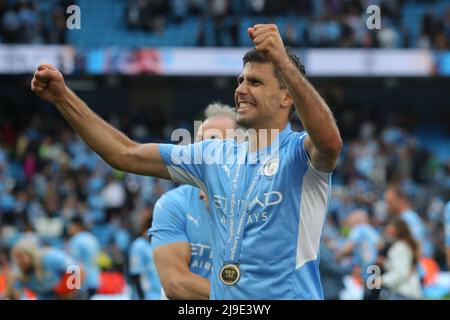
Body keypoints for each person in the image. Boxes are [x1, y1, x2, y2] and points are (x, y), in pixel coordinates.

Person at [30, 23, 342, 299]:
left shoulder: (300, 154)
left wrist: (284, 63)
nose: (240, 90)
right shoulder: (214, 155)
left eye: (255, 82)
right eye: (241, 79)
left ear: (287, 96)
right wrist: (63, 97)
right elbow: (123, 153)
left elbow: (329, 141)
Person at [149, 102, 237, 300]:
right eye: (199, 143)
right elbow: (176, 284)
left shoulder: (259, 205)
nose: (202, 152)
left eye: (213, 144)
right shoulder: (174, 203)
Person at [6, 240, 86, 300]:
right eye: (15, 258)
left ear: (30, 254)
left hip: (72, 295)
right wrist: (10, 285)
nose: (18, 261)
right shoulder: (20, 273)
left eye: (21, 257)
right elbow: (15, 296)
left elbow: (78, 269)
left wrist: (67, 290)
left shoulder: (49, 258)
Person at [336, 209, 382, 299]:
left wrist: (336, 257)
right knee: (373, 295)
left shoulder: (359, 228)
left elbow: (348, 248)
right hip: (375, 268)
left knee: (366, 295)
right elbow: (380, 245)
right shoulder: (371, 230)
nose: (348, 225)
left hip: (367, 270)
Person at [379, 219, 422, 300]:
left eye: (390, 227)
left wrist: (381, 280)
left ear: (397, 230)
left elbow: (401, 272)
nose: (387, 229)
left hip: (403, 292)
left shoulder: (400, 247)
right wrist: (385, 263)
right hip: (407, 291)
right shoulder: (403, 245)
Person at [384, 185, 428, 256]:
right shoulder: (400, 218)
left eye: (390, 202)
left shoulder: (410, 218)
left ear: (399, 200)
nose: (388, 206)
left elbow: (417, 246)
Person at [66, 216, 101, 299]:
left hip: (82, 283)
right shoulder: (92, 238)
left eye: (70, 226)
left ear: (77, 226)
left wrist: (72, 285)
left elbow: (74, 264)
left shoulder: (77, 240)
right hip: (94, 280)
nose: (69, 228)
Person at [129, 217, 161, 300]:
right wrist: (142, 297)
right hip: (146, 295)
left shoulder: (156, 245)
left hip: (158, 295)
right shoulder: (139, 245)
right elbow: (136, 274)